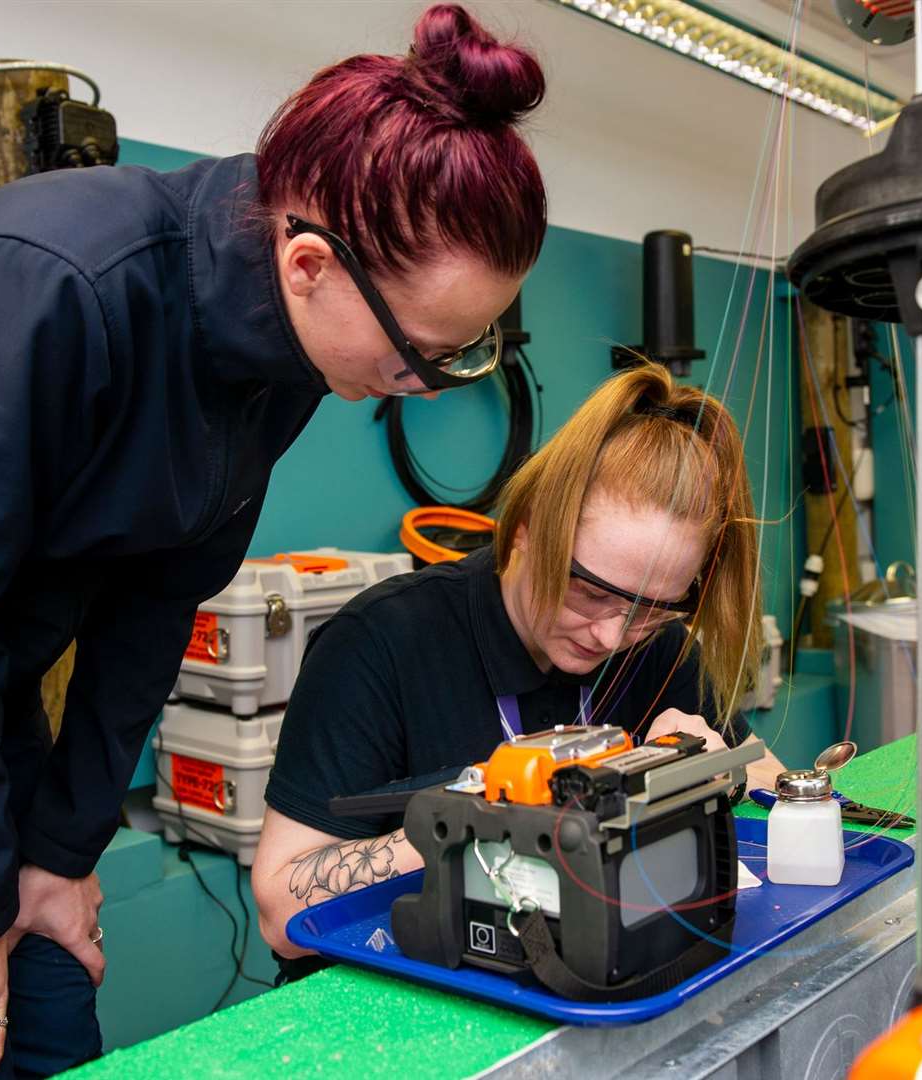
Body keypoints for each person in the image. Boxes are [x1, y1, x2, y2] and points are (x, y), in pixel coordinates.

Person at [0, 6, 545, 1078]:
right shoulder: (55, 278)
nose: (427, 385)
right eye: (425, 353)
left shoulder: (286, 359)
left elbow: (154, 608)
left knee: (50, 1010)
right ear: (310, 265)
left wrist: (59, 852)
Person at [252, 363, 788, 976]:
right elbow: (279, 911)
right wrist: (484, 822)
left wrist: (701, 771)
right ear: (529, 530)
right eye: (588, 592)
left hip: (590, 973)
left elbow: (765, 770)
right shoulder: (380, 642)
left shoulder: (655, 643)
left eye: (653, 607)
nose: (613, 635)